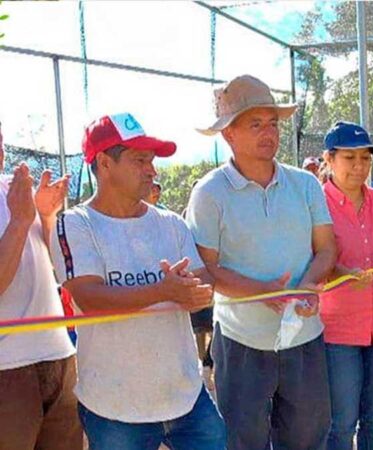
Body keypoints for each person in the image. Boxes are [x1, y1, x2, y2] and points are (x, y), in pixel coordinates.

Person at [50, 113, 225, 449]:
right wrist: (164, 290)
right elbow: (89, 298)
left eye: (152, 160)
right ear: (104, 163)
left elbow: (203, 281)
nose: (152, 170)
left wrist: (198, 293)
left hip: (187, 397)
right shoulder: (75, 224)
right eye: (139, 160)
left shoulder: (172, 223)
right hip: (115, 410)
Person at [188, 74, 336, 450]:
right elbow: (205, 269)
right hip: (240, 342)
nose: (269, 132)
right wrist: (261, 292)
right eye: (255, 124)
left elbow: (326, 250)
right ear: (229, 134)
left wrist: (308, 285)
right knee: (243, 441)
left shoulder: (306, 184)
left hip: (304, 336)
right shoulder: (209, 193)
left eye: (272, 123)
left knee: (308, 439)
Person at [318, 121, 373, 450]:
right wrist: (339, 272)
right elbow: (308, 260)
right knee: (341, 423)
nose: (359, 166)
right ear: (329, 159)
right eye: (349, 157)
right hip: (336, 332)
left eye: (365, 158)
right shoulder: (315, 204)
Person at [0, 121, 82, 449]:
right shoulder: (19, 202)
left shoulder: (14, 189)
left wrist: (46, 216)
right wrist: (20, 221)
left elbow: (53, 266)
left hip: (59, 356)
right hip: (7, 370)